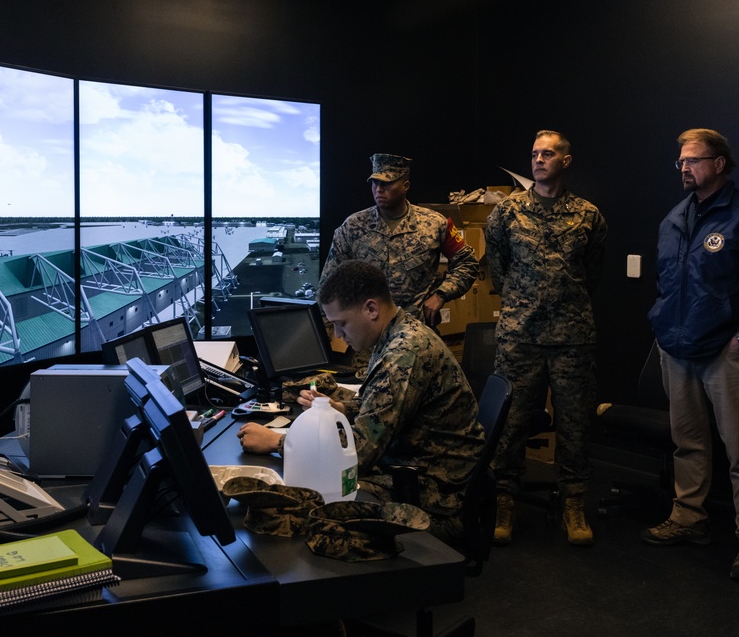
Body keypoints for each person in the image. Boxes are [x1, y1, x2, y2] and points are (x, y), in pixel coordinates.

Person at [237, 259, 485, 540]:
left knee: (306, 498)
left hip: (434, 493)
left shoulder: (403, 354)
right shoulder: (399, 333)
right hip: (418, 468)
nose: (339, 335)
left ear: (371, 309)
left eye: (341, 324)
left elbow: (358, 456)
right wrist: (341, 407)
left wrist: (278, 442)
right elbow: (386, 407)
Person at [644, 128, 739, 581]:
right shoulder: (673, 219)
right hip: (677, 348)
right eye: (681, 161)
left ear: (720, 164)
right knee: (687, 443)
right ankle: (689, 519)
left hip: (724, 352)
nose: (685, 168)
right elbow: (668, 283)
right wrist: (663, 324)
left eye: (694, 160)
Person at [486, 130, 607, 546]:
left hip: (572, 336)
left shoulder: (588, 215)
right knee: (512, 422)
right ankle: (504, 500)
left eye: (548, 154)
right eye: (535, 153)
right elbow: (497, 269)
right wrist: (523, 302)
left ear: (565, 161)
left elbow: (592, 273)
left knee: (575, 423)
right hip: (520, 335)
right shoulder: (507, 212)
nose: (539, 160)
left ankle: (574, 503)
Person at [319, 153, 480, 377]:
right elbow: (329, 284)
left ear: (405, 185)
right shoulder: (353, 227)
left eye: (387, 183)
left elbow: (468, 263)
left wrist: (442, 294)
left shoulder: (434, 224)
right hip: (366, 345)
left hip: (416, 341)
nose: (379, 189)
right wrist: (330, 336)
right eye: (375, 182)